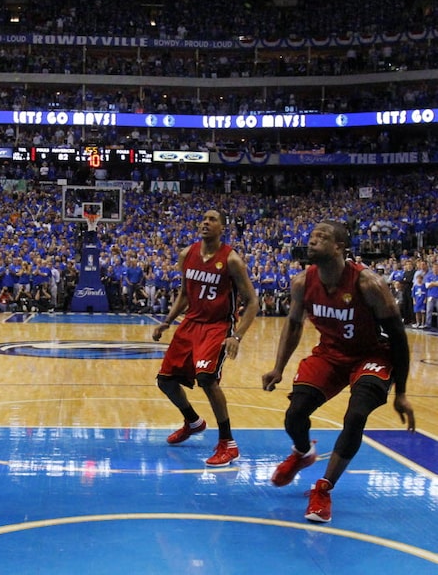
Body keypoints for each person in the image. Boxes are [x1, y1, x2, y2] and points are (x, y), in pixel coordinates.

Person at [262, 220, 415, 524]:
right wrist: (278, 367)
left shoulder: (368, 284)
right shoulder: (302, 282)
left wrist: (402, 393)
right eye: (311, 235)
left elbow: (398, 337)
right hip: (331, 353)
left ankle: (324, 487)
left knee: (356, 415)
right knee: (295, 414)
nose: (312, 240)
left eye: (321, 237)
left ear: (340, 248)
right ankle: (303, 452)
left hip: (372, 355)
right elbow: (293, 325)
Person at [151, 209, 258, 466]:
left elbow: (252, 301)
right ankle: (193, 421)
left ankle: (228, 443)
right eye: (204, 219)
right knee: (165, 381)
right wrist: (165, 322)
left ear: (222, 228)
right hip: (191, 323)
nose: (205, 222)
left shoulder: (232, 260)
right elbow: (185, 295)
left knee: (207, 379)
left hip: (217, 326)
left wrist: (237, 336)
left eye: (212, 220)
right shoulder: (187, 254)